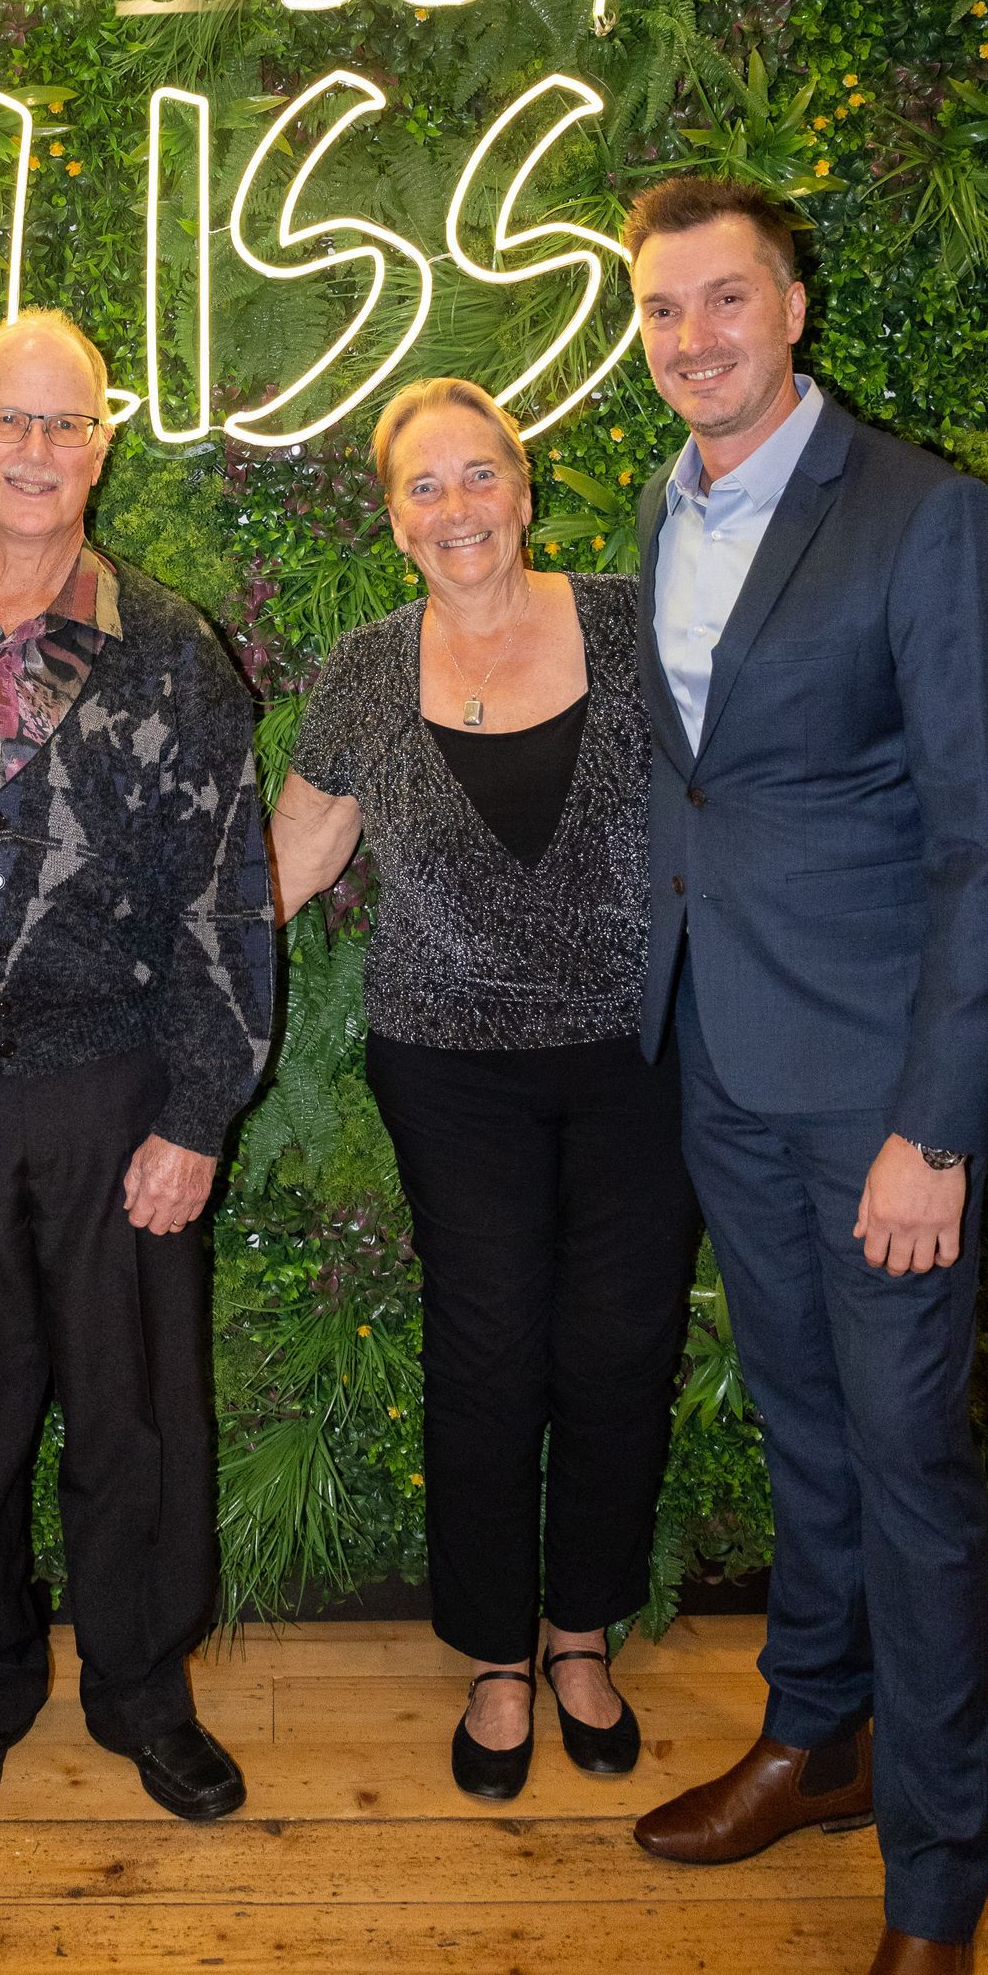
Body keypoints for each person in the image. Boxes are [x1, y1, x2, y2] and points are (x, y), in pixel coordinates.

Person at [624, 177, 988, 1975]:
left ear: (793, 309)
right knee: (802, 1431)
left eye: (727, 299)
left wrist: (934, 1131)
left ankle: (935, 1896)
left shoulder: (924, 516)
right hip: (723, 1060)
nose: (693, 337)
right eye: (663, 309)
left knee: (912, 1478)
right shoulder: (666, 508)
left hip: (879, 1100)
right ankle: (818, 1740)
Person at [0, 308, 272, 1827]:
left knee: (137, 1418)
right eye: (8, 419)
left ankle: (144, 1694)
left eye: (64, 422)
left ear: (103, 443)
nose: (35, 449)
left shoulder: (173, 649)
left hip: (116, 1096)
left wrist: (199, 1112)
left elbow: (229, 889)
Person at [268, 376, 701, 1799]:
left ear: (524, 490)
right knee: (487, 1350)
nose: (454, 508)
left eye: (477, 476)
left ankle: (580, 1635)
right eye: (423, 486)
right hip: (448, 1068)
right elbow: (291, 860)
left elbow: (750, 792)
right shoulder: (366, 667)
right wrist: (145, 976)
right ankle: (497, 1656)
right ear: (395, 520)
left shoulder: (635, 626)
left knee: (620, 1347)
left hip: (642, 1056)